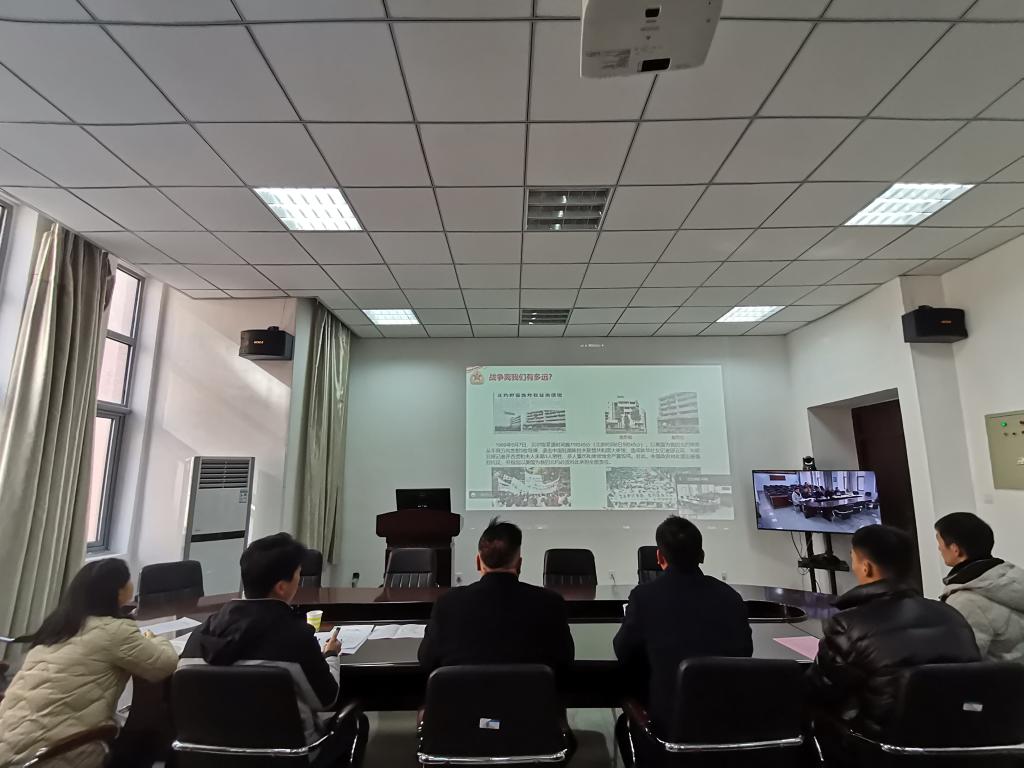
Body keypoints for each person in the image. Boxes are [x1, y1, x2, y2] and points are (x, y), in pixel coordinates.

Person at [179, 533, 356, 764]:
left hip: (212, 756)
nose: (299, 580)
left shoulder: (199, 635)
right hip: (287, 756)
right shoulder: (296, 637)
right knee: (354, 723)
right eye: (298, 574)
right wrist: (331, 654)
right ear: (282, 587)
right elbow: (326, 700)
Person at [810, 525, 980, 748]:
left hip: (883, 749)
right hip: (959, 745)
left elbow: (819, 692)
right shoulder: (951, 615)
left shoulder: (848, 624)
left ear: (866, 568)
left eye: (853, 559)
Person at [0, 559, 178, 768]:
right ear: (118, 591)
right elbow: (164, 664)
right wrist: (156, 639)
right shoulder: (113, 631)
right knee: (147, 742)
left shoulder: (57, 626)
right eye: (127, 580)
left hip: (8, 741)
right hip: (50, 755)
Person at [614, 517, 752, 731]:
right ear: (701, 555)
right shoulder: (730, 596)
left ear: (660, 557)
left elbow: (623, 651)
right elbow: (745, 652)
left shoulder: (644, 596)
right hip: (728, 722)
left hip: (668, 726)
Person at [418, 517, 574, 675]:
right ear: (519, 564)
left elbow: (426, 660)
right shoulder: (551, 603)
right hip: (529, 692)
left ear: (478, 562)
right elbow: (565, 662)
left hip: (465, 692)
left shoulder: (447, 604)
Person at [935, 512, 1024, 662]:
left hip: (1002, 677)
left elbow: (962, 662)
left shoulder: (964, 601)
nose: (939, 548)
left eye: (940, 541)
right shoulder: (1014, 578)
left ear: (955, 549)